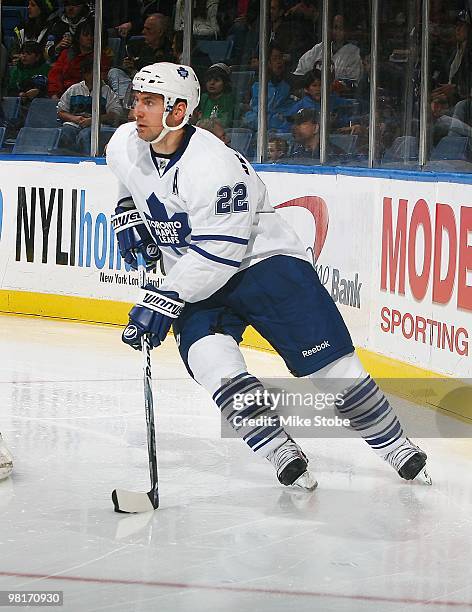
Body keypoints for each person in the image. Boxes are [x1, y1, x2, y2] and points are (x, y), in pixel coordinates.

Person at [106, 61, 431, 490]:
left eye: (149, 103)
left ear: (179, 111)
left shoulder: (214, 166)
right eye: (137, 101)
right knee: (211, 363)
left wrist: (161, 300)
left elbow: (219, 255)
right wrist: (126, 211)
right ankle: (278, 447)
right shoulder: (125, 143)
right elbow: (128, 179)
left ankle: (393, 445)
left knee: (331, 367)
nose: (137, 111)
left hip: (261, 264)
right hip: (193, 274)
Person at [57, 58, 122, 154]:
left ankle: (88, 161)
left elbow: (115, 113)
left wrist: (94, 120)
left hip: (97, 126)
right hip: (74, 124)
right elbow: (61, 111)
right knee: (66, 132)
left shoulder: (107, 91)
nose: (100, 75)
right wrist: (75, 118)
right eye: (94, 72)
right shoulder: (74, 89)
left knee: (86, 135)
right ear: (85, 74)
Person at [48, 18, 111, 99]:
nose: (90, 38)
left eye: (93, 35)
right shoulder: (66, 54)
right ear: (78, 37)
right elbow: (55, 75)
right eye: (86, 35)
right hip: (62, 96)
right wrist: (54, 94)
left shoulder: (101, 57)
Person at [197, 63, 235, 127]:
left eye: (216, 80)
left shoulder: (228, 99)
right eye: (209, 80)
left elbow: (225, 122)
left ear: (225, 83)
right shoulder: (204, 97)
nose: (212, 83)